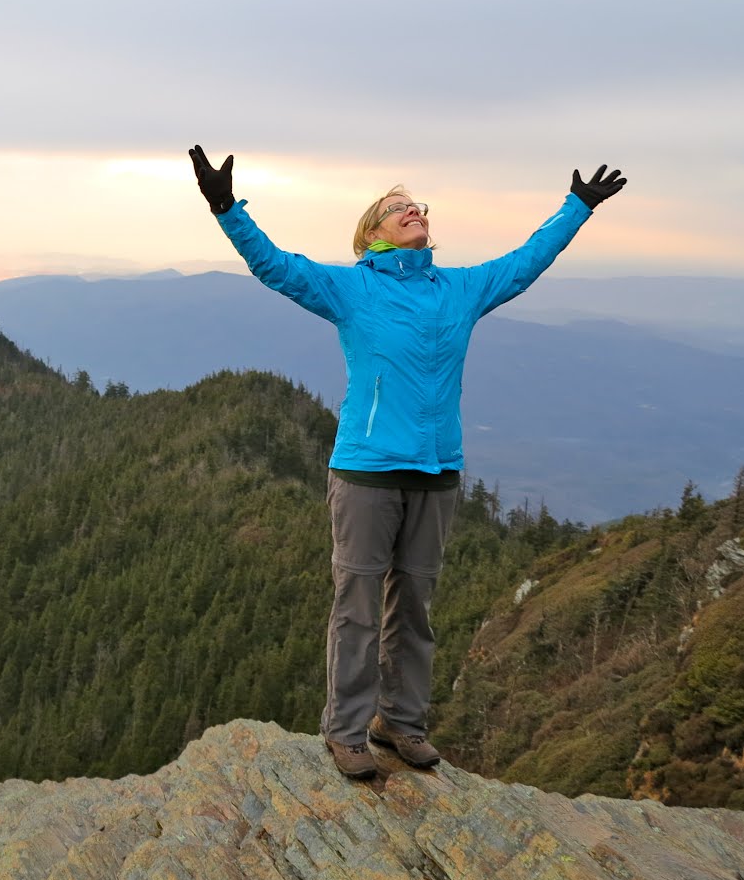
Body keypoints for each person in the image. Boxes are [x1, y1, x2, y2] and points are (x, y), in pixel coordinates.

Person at [188, 145, 626, 780]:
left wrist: (577, 207)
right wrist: (226, 208)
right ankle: (345, 732)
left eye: (417, 205)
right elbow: (274, 267)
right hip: (366, 469)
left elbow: (527, 261)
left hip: (437, 470)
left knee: (414, 606)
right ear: (371, 234)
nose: (413, 211)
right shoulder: (350, 287)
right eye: (398, 208)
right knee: (358, 606)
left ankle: (401, 723)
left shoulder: (459, 288)